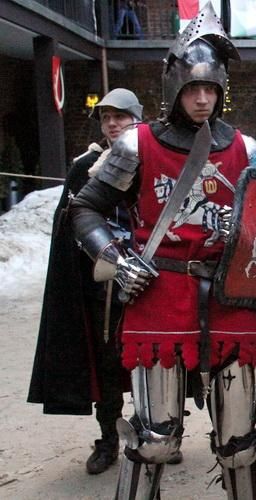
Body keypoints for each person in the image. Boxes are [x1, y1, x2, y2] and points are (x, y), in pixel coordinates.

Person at [69, 5, 256, 498]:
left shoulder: (246, 149)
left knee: (239, 445)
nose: (202, 99)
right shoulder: (135, 145)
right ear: (174, 88)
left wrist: (249, 243)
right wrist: (117, 260)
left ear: (221, 90)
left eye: (210, 89)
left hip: (228, 296)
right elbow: (86, 208)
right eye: (192, 88)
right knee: (155, 440)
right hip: (160, 289)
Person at [28, 88, 147, 475]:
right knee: (108, 362)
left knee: (153, 362)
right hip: (104, 282)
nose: (112, 124)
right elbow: (72, 223)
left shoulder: (155, 158)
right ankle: (109, 438)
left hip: (151, 279)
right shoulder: (86, 166)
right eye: (106, 118)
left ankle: (156, 435)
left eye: (120, 117)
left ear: (136, 119)